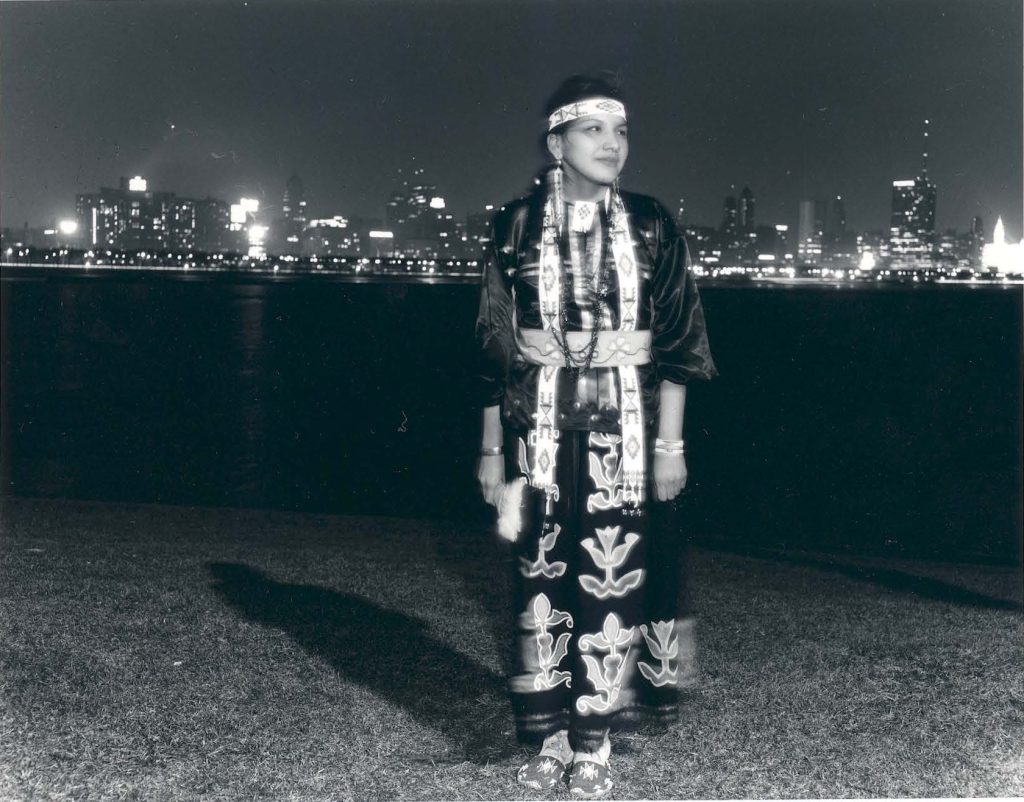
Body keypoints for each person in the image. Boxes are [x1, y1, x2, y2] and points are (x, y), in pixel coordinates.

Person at [475, 74, 716, 799]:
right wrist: (490, 452)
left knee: (614, 578)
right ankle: (549, 730)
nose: (613, 144)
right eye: (594, 131)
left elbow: (678, 342)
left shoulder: (650, 224)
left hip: (629, 431)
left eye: (621, 131)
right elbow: (493, 346)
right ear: (557, 142)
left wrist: (672, 448)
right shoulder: (514, 226)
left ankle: (595, 739)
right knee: (540, 574)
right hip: (537, 429)